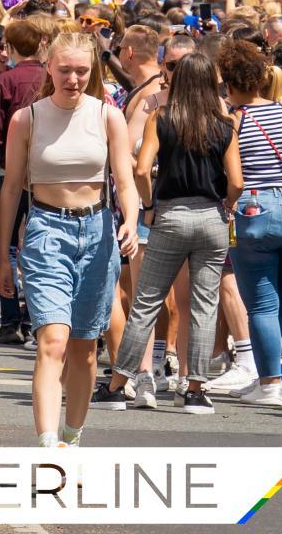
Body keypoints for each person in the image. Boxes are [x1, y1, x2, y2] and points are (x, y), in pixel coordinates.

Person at [0, 28, 139, 448]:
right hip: (46, 231)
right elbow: (11, 189)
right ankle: (47, 445)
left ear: (92, 70)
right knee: (52, 340)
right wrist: (3, 255)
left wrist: (130, 220)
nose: (73, 79)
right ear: (49, 67)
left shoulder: (107, 115)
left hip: (98, 232)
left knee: (84, 348)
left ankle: (71, 437)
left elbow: (125, 181)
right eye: (64, 70)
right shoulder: (27, 119)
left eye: (81, 71)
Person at [96, 52, 237, 415]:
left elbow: (142, 169)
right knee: (204, 305)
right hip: (211, 215)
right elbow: (236, 180)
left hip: (171, 212)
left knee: (146, 302)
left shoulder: (161, 117)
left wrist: (148, 205)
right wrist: (227, 205)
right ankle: (195, 389)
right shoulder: (225, 123)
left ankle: (117, 385)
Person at [217, 38, 282, 406]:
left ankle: (271, 383)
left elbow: (234, 180)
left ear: (229, 82)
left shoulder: (232, 120)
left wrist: (228, 203)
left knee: (262, 304)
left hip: (253, 208)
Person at [0, 14, 53, 346]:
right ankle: (31, 316)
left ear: (10, 47)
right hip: (46, 173)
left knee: (8, 244)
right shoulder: (49, 78)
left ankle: (11, 317)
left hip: (12, 174)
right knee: (39, 245)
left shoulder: (5, 81)